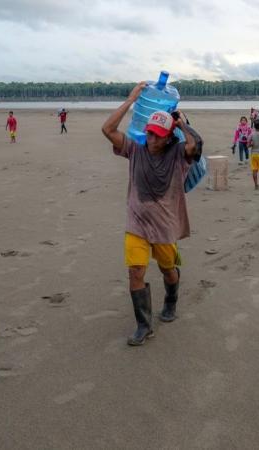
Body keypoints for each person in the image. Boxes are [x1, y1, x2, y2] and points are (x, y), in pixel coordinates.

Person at [101, 81, 198, 346]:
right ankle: (144, 325)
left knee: (168, 269)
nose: (151, 138)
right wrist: (131, 99)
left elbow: (195, 146)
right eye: (149, 132)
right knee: (135, 272)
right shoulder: (135, 149)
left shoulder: (178, 154)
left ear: (168, 137)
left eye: (157, 134)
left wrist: (181, 124)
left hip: (165, 228)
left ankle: (171, 299)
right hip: (137, 225)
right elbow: (107, 129)